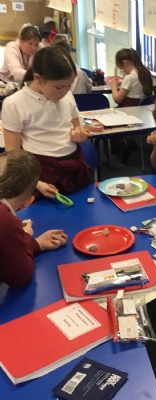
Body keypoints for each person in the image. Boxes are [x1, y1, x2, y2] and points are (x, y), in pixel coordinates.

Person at [1, 46, 94, 200]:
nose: (64, 92)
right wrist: (35, 183)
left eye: (69, 85)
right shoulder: (15, 103)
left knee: (84, 205)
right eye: (59, 87)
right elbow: (13, 154)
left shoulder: (67, 96)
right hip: (41, 170)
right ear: (38, 78)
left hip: (74, 164)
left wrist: (79, 135)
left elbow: (77, 127)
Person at [0, 149, 68, 288]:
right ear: (28, 202)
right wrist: (24, 236)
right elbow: (20, 276)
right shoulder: (6, 220)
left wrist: (36, 243)